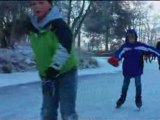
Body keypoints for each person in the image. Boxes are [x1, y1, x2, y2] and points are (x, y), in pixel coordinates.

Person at [20, 0, 78, 120]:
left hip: (66, 73)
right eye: (33, 4)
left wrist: (54, 68)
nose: (36, 6)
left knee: (67, 112)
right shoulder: (32, 27)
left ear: (50, 5)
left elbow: (65, 47)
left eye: (41, 2)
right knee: (47, 112)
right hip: (47, 76)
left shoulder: (59, 25)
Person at [108, 29, 160, 109]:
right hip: (127, 70)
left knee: (138, 85)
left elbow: (150, 49)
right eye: (129, 37)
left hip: (137, 69)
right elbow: (118, 53)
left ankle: (138, 99)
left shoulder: (140, 46)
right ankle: (122, 98)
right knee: (125, 85)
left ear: (135, 37)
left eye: (133, 37)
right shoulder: (125, 47)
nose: (131, 39)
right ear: (127, 38)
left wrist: (158, 53)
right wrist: (114, 59)